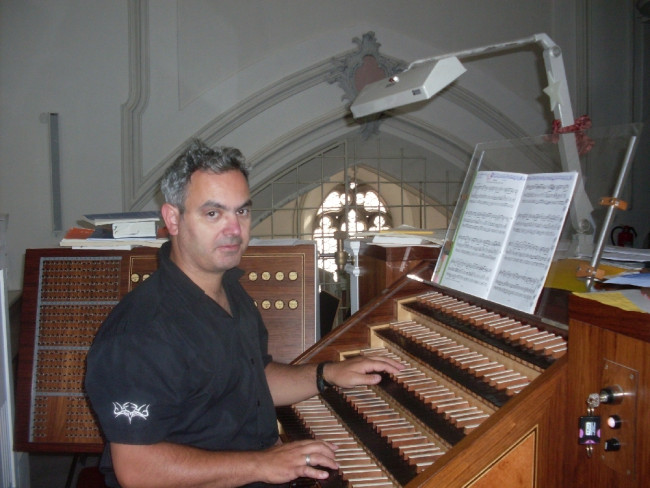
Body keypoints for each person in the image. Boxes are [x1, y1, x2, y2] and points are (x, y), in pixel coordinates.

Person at [84, 139, 403, 488]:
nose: (234, 230)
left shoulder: (229, 290)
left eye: (242, 211)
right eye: (213, 213)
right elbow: (138, 471)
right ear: (172, 219)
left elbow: (254, 380)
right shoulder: (140, 333)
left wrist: (327, 374)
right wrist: (262, 465)